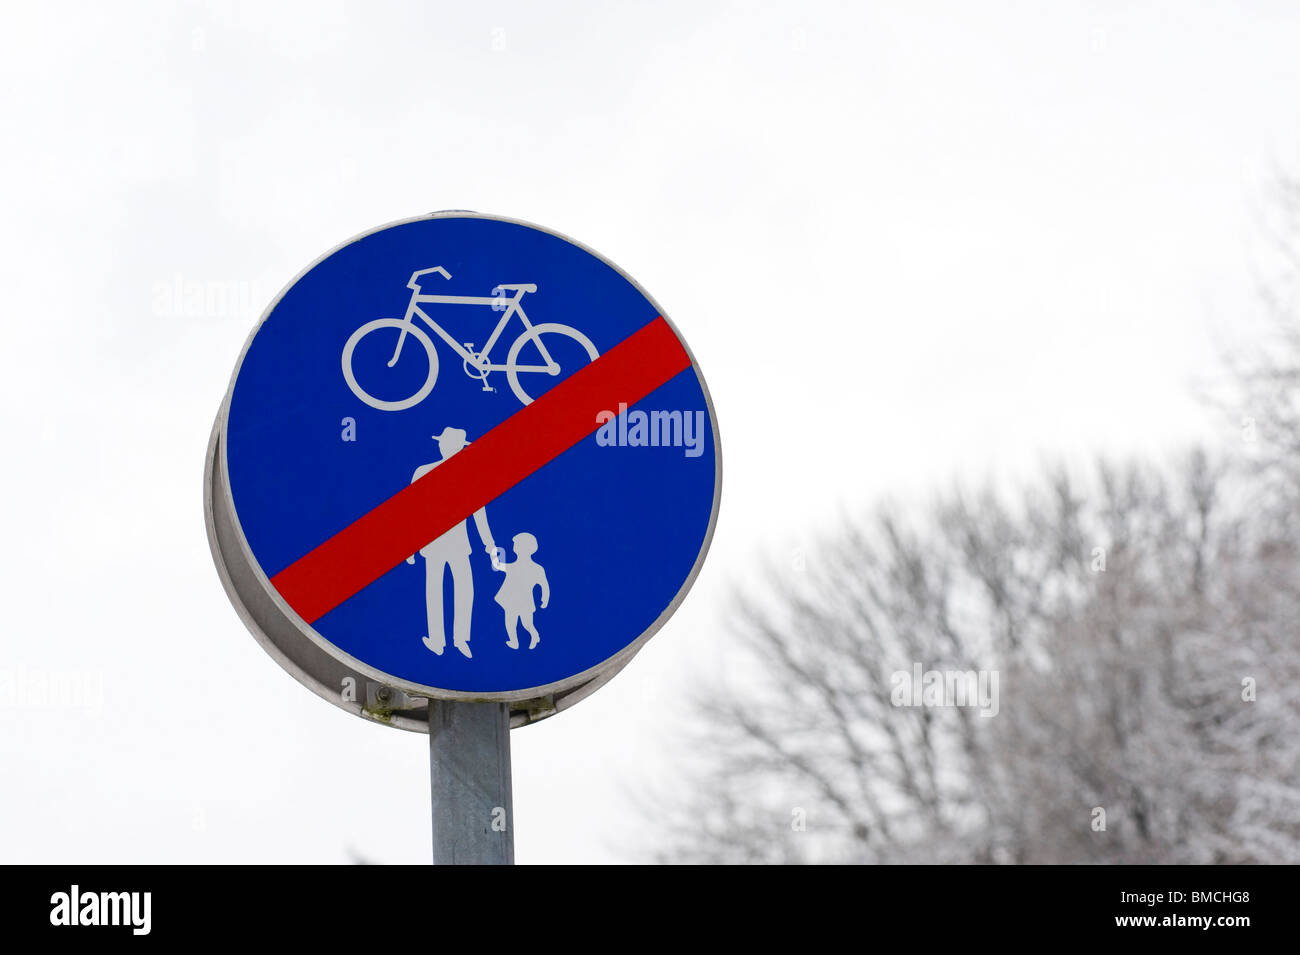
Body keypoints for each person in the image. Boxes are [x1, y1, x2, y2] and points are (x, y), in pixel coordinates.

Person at [406, 427, 495, 658]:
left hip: (455, 544)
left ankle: (457, 640)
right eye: (443, 442)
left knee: (459, 589)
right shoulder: (424, 472)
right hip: (436, 543)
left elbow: (478, 512)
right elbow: (412, 511)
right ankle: (443, 640)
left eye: (446, 442)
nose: (443, 445)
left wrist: (489, 544)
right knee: (441, 590)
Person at [491, 532, 550, 650]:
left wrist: (545, 599)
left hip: (525, 602)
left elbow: (544, 585)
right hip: (511, 601)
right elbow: (497, 565)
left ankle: (534, 635)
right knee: (510, 622)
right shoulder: (512, 566)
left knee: (527, 624)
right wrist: (494, 552)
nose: (514, 546)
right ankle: (514, 641)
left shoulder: (537, 568)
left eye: (516, 544)